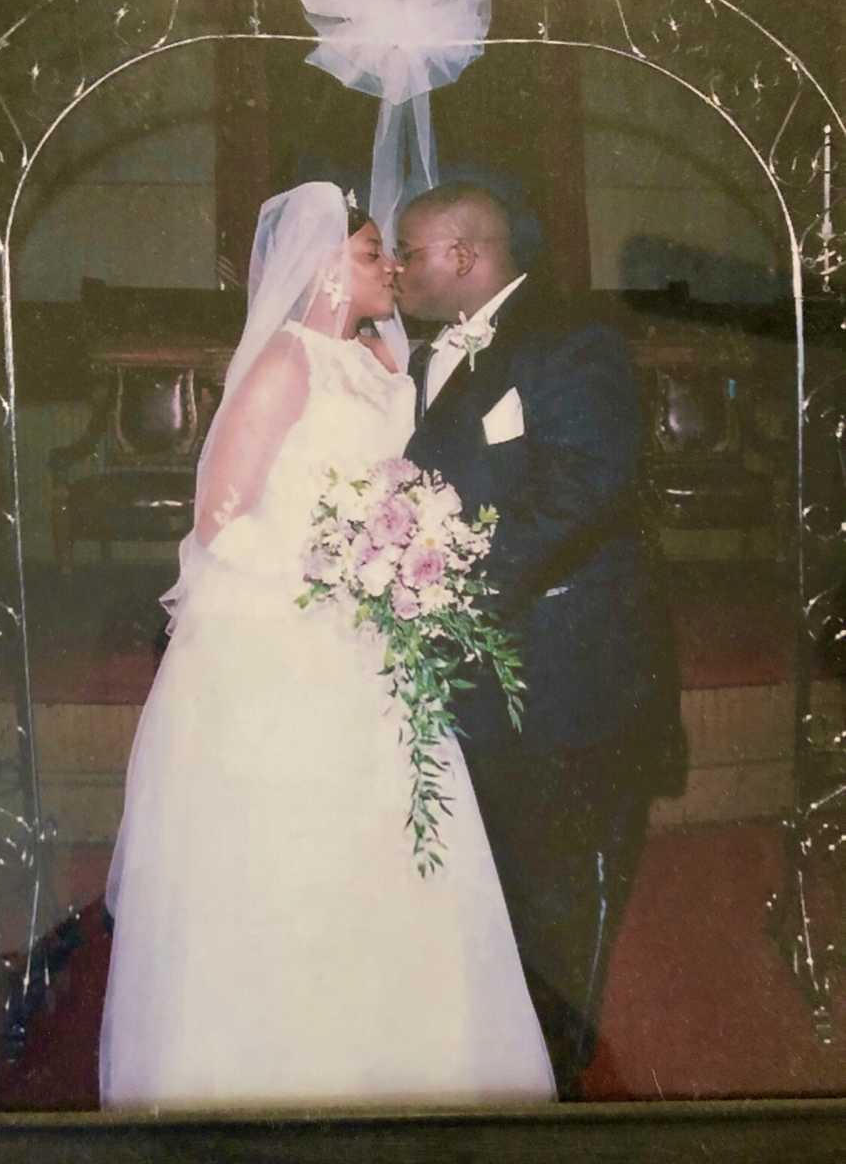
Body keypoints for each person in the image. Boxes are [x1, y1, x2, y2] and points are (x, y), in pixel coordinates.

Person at [99, 182, 556, 1110]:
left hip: (379, 641)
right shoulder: (284, 364)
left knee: (401, 866)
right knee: (294, 862)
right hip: (292, 643)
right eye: (368, 251)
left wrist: (403, 554)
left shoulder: (386, 358)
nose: (389, 265)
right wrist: (340, 567)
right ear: (321, 267)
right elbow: (219, 520)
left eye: (390, 250)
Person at [397, 182, 686, 1098]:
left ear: (465, 256)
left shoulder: (571, 336)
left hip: (570, 666)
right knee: (506, 875)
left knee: (564, 889)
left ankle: (554, 1087)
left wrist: (453, 578)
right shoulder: (413, 358)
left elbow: (590, 479)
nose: (401, 272)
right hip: (481, 668)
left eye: (411, 253)